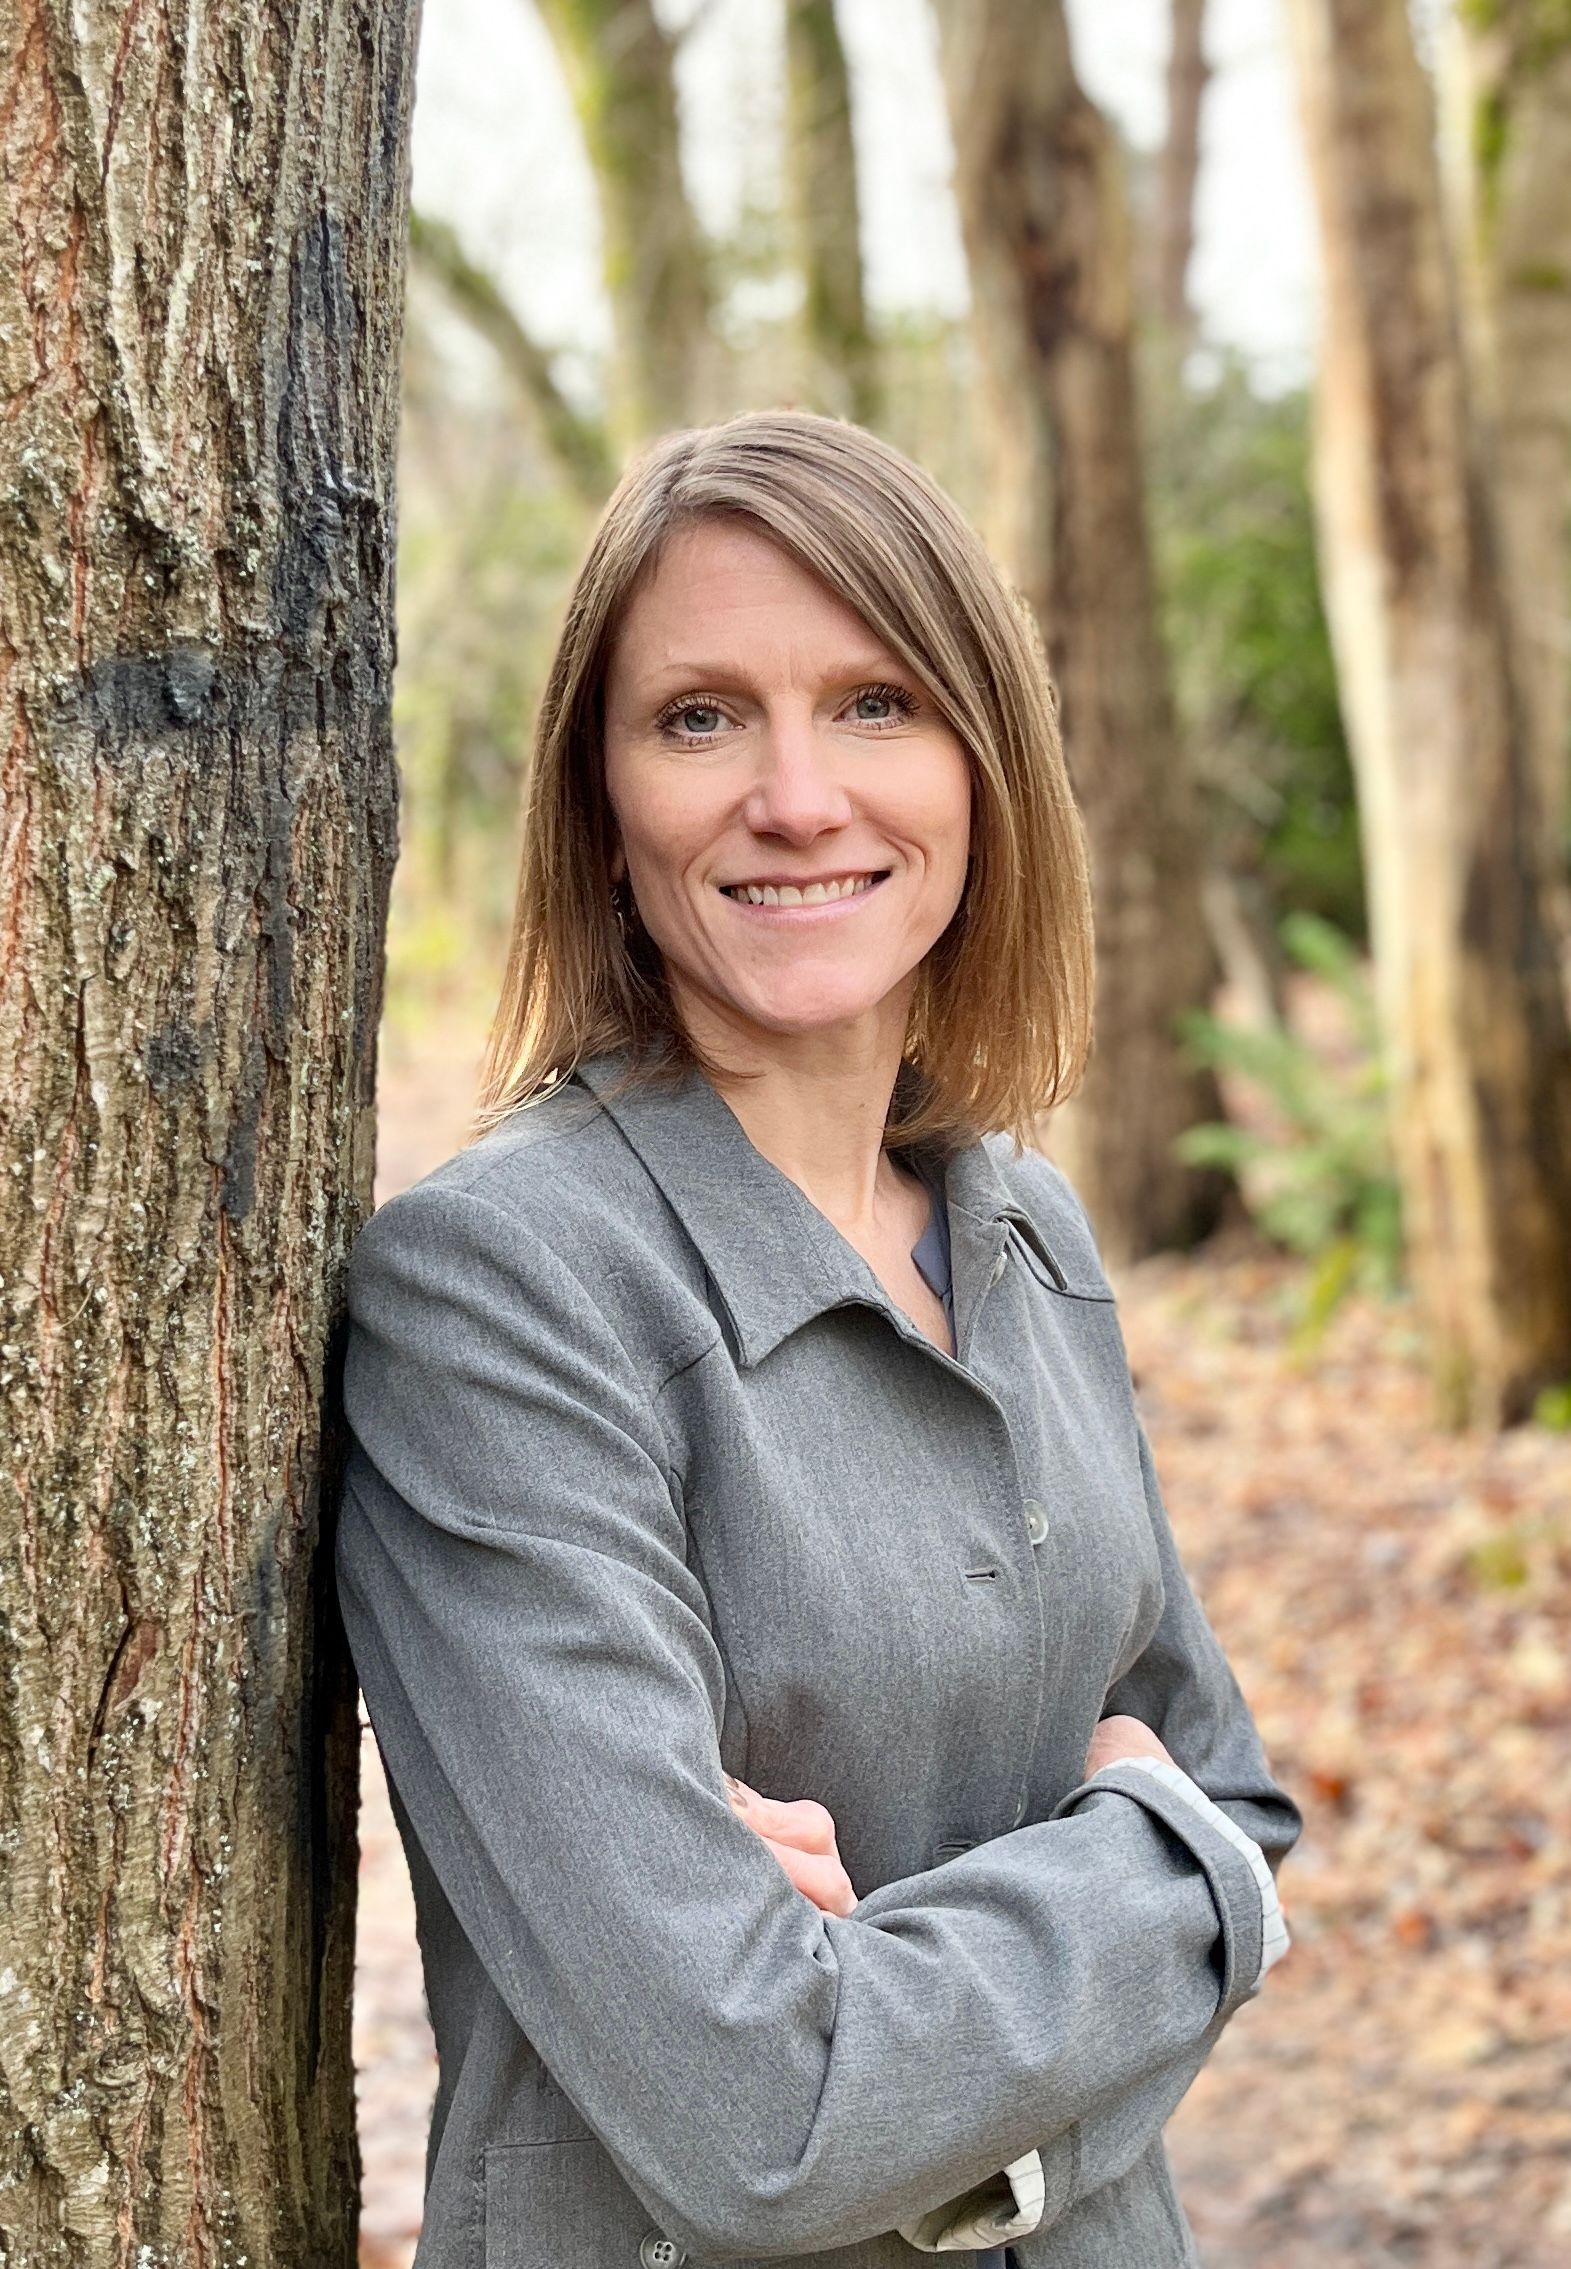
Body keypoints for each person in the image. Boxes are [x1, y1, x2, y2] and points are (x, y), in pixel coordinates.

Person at [336, 407, 1301, 2269]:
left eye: (875, 702)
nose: (795, 796)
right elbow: (757, 2114)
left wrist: (914, 1979)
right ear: (602, 802)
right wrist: (1170, 1884)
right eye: (700, 716)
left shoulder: (1024, 1220)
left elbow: (1234, 1781)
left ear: (980, 764)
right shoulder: (502, 1289)